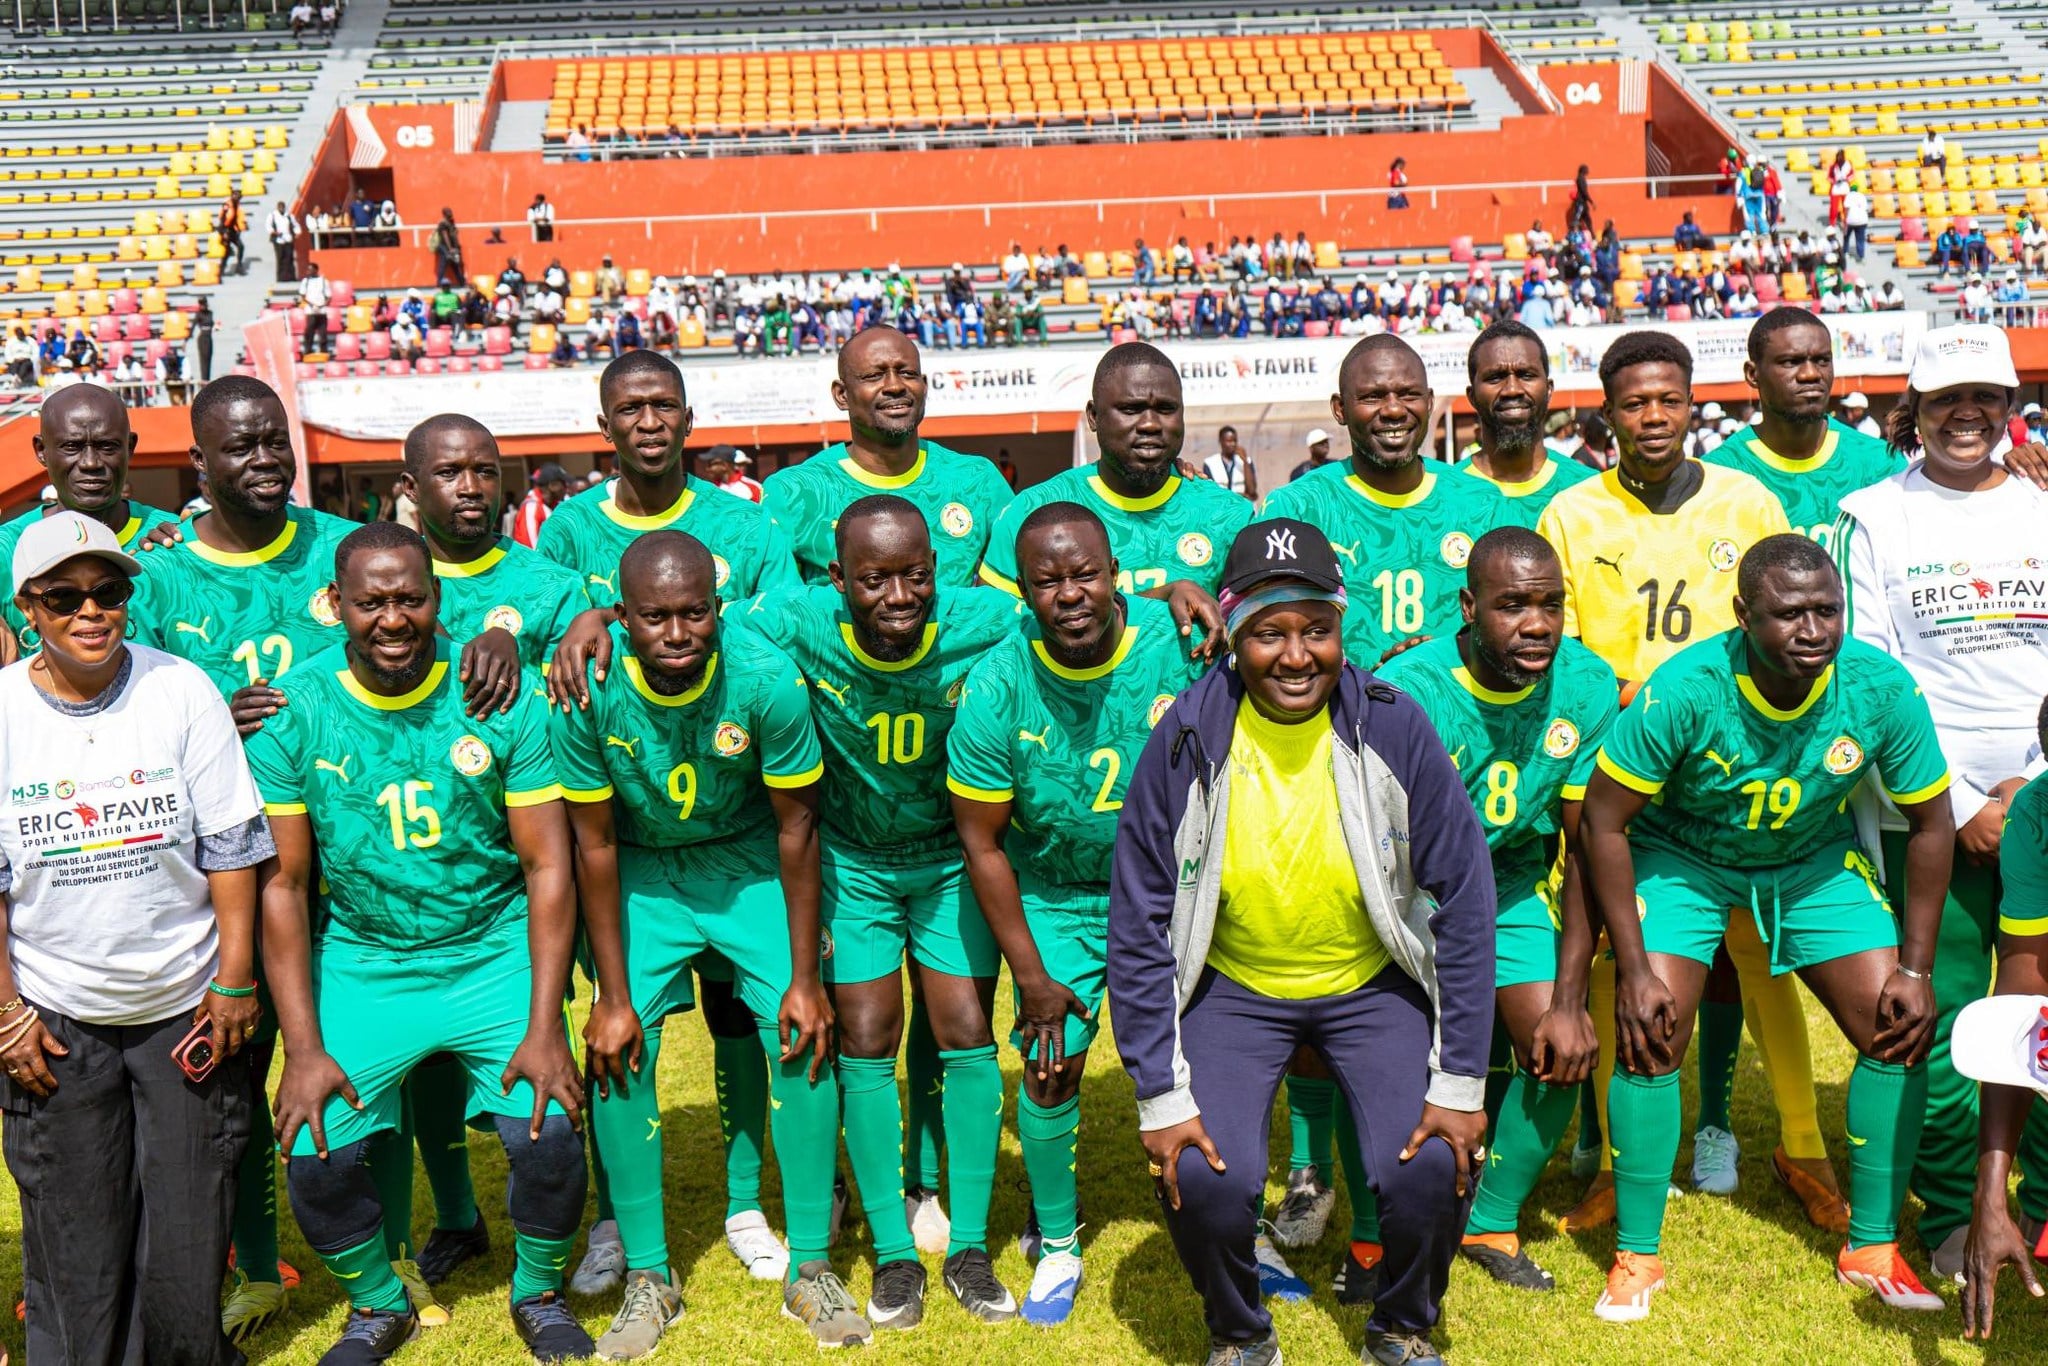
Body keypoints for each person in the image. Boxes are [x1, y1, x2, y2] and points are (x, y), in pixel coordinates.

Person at [1110, 517, 1493, 1366]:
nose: (1295, 656)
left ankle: (1402, 1325)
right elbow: (1137, 921)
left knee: (1434, 1157)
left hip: (1371, 979)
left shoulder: (1394, 726)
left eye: (1316, 630)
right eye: (1268, 633)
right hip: (1234, 984)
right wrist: (1159, 1095)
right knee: (1203, 1174)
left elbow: (1465, 898)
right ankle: (1240, 1334)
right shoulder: (1185, 737)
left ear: (1341, 628)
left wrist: (1462, 1079)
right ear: (1232, 632)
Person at [1581, 534, 1952, 1322]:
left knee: (1897, 1021)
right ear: (1743, 614)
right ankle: (1637, 1255)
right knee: (1653, 1030)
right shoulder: (1686, 688)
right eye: (1789, 614)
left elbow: (1932, 824)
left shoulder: (1881, 687)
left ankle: (1873, 1246)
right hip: (1683, 855)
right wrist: (1636, 967)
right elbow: (1603, 821)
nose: (1813, 630)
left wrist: (1916, 969)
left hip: (1808, 858)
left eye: (1827, 610)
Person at [249, 522, 593, 1362]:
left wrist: (546, 1026)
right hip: (366, 960)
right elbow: (284, 887)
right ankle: (377, 1302)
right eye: (371, 602)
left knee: (548, 1133)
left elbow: (548, 866)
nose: (393, 619)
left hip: (491, 950)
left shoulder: (496, 698)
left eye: (411, 598)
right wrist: (302, 1049)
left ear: (439, 599)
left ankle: (539, 1291)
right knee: (315, 1153)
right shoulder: (296, 711)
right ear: (336, 604)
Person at [1534, 333, 1829, 1232]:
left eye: (1668, 399)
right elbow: (1562, 651)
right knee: (1609, 949)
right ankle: (1617, 1166)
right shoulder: (1572, 513)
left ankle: (1800, 1145)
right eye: (1634, 403)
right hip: (1618, 765)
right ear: (1608, 414)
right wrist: (1636, 698)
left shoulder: (1748, 501)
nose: (1653, 417)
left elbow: (1784, 620)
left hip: (1730, 762)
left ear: (1693, 403)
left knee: (1756, 945)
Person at [713, 497, 1027, 1328]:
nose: (898, 596)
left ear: (938, 571)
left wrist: (1170, 595)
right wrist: (594, 621)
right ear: (837, 579)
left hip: (950, 857)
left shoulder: (985, 618)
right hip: (852, 862)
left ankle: (969, 1246)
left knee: (965, 1028)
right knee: (866, 1036)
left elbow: (1074, 608)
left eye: (915, 576)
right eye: (874, 579)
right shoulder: (795, 619)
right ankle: (893, 1251)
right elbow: (696, 620)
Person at [553, 531, 863, 1353]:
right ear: (622, 617)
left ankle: (812, 1267)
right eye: (654, 617)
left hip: (747, 861)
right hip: (644, 868)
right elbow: (593, 844)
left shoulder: (764, 678)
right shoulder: (586, 687)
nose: (677, 634)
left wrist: (806, 977)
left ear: (718, 609)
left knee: (801, 1026)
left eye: (694, 614)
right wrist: (612, 996)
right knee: (619, 1042)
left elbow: (797, 827)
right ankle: (650, 1275)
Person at [0, 510, 270, 1365]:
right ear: (27, 609)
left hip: (184, 1008)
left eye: (107, 592)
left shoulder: (180, 689)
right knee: (76, 1238)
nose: (90, 611)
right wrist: (6, 1013)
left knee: (189, 1236)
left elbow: (232, 848)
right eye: (64, 597)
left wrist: (234, 981)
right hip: (56, 1015)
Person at [947, 503, 1208, 1324]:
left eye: (1085, 574)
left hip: (1174, 891)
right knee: (1050, 1061)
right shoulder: (997, 683)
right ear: (1022, 591)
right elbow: (982, 843)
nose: (1069, 594)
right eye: (1047, 581)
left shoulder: (1178, 644)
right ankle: (1058, 1241)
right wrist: (1030, 976)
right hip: (1057, 896)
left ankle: (1232, 1228)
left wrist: (1187, 590)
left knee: (1216, 1059)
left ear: (1117, 574)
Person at [1835, 322, 2048, 1282]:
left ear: (2010, 407)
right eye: (1945, 399)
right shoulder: (1873, 516)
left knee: (2042, 1009)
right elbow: (1871, 677)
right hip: (1925, 812)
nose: (1967, 415)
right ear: (1912, 411)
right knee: (1950, 1015)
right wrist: (1958, 804)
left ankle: (2039, 1203)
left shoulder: (2043, 504)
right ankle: (1958, 1208)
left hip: (2044, 795)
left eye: (1985, 398)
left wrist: (2034, 789)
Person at [1377, 528, 1613, 1292]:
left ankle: (1490, 1216)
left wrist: (1570, 1001)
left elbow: (1585, 846)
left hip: (1506, 885)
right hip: (1398, 893)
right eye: (1513, 606)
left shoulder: (1586, 683)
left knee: (1561, 1048)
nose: (1537, 624)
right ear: (1469, 607)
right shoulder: (1410, 689)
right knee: (1380, 1057)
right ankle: (1369, 1222)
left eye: (1551, 605)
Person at [1266, 334, 1508, 668]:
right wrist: (1363, 683)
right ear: (1340, 409)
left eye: (1409, 395)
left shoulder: (1483, 504)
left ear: (1429, 402)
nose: (1394, 409)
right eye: (1372, 396)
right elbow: (1267, 635)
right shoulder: (1295, 510)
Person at [980, 343, 1251, 602]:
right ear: (1093, 416)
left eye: (1166, 409)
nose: (1150, 424)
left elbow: (1254, 624)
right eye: (1130, 409)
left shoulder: (1230, 516)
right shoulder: (1031, 513)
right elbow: (992, 624)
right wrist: (1158, 599)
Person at [537, 351, 793, 612]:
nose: (650, 423)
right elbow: (548, 628)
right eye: (630, 409)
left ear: (687, 421)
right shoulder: (569, 529)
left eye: (664, 405)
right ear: (606, 428)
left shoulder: (749, 524)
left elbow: (786, 622)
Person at [760, 327, 1011, 587]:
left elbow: (1013, 592)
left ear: (924, 386)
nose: (894, 386)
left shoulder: (978, 480)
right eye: (874, 376)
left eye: (907, 373)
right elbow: (779, 603)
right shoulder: (792, 492)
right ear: (842, 395)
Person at [0, 384, 180, 657]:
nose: (90, 463)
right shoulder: (6, 552)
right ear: (41, 450)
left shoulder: (175, 540)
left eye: (107, 446)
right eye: (71, 447)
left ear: (130, 447)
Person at [1706, 310, 1905, 546]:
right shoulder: (1717, 476)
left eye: (1822, 360)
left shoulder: (1882, 464)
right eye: (1790, 362)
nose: (1811, 374)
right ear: (1752, 374)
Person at [1457, 320, 1597, 526]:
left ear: (1549, 389)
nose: (1512, 389)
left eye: (1526, 375)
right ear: (1472, 397)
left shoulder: (1589, 491)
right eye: (1495, 377)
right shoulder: (1446, 496)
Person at [513, 462, 569, 549]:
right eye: (564, 484)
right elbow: (531, 547)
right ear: (552, 485)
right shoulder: (532, 507)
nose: (566, 488)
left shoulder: (553, 505)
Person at [1203, 425, 1257, 501]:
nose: (1233, 444)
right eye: (1229, 441)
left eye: (1235, 441)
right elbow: (1210, 492)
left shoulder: (1247, 461)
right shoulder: (1210, 463)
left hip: (1241, 505)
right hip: (1221, 505)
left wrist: (1245, 461)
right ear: (1220, 441)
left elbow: (1252, 491)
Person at [267, 200, 299, 284]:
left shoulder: (289, 216)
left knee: (290, 258)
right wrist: (274, 232)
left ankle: (291, 277)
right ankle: (281, 278)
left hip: (288, 239)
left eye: (282, 207)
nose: (281, 209)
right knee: (280, 258)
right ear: (277, 207)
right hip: (278, 240)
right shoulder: (272, 215)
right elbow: (268, 226)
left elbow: (295, 225)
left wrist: (297, 232)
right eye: (280, 207)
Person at [431, 209, 464, 291]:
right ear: (444, 214)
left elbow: (454, 234)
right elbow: (445, 235)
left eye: (450, 212)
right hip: (444, 247)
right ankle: (439, 284)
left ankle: (462, 283)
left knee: (455, 265)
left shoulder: (451, 222)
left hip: (452, 247)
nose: (450, 213)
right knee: (443, 265)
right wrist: (450, 248)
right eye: (448, 212)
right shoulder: (443, 223)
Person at [219, 190, 247, 276]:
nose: (237, 197)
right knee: (227, 251)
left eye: (239, 196)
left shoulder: (237, 205)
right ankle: (221, 269)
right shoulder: (227, 204)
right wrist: (224, 232)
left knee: (241, 246)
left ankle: (239, 266)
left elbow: (237, 218)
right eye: (235, 195)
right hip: (225, 229)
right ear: (232, 195)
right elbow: (222, 218)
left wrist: (240, 228)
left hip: (233, 230)